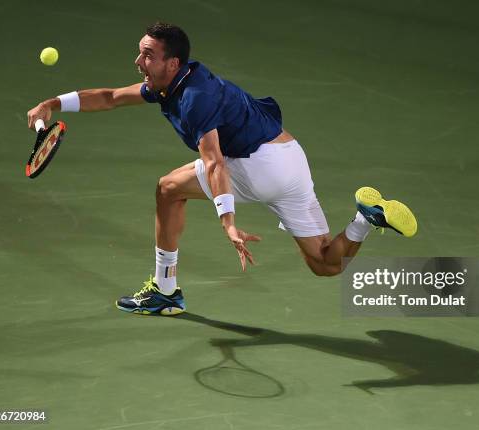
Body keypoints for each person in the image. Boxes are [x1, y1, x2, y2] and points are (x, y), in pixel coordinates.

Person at [27, 22, 417, 316]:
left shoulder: (194, 100)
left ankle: (165, 291)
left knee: (168, 189)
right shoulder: (176, 81)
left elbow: (214, 162)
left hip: (258, 166)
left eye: (148, 55)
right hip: (291, 158)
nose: (138, 61)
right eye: (140, 52)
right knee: (326, 263)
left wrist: (227, 221)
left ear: (172, 62)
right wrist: (52, 103)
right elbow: (111, 97)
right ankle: (367, 219)